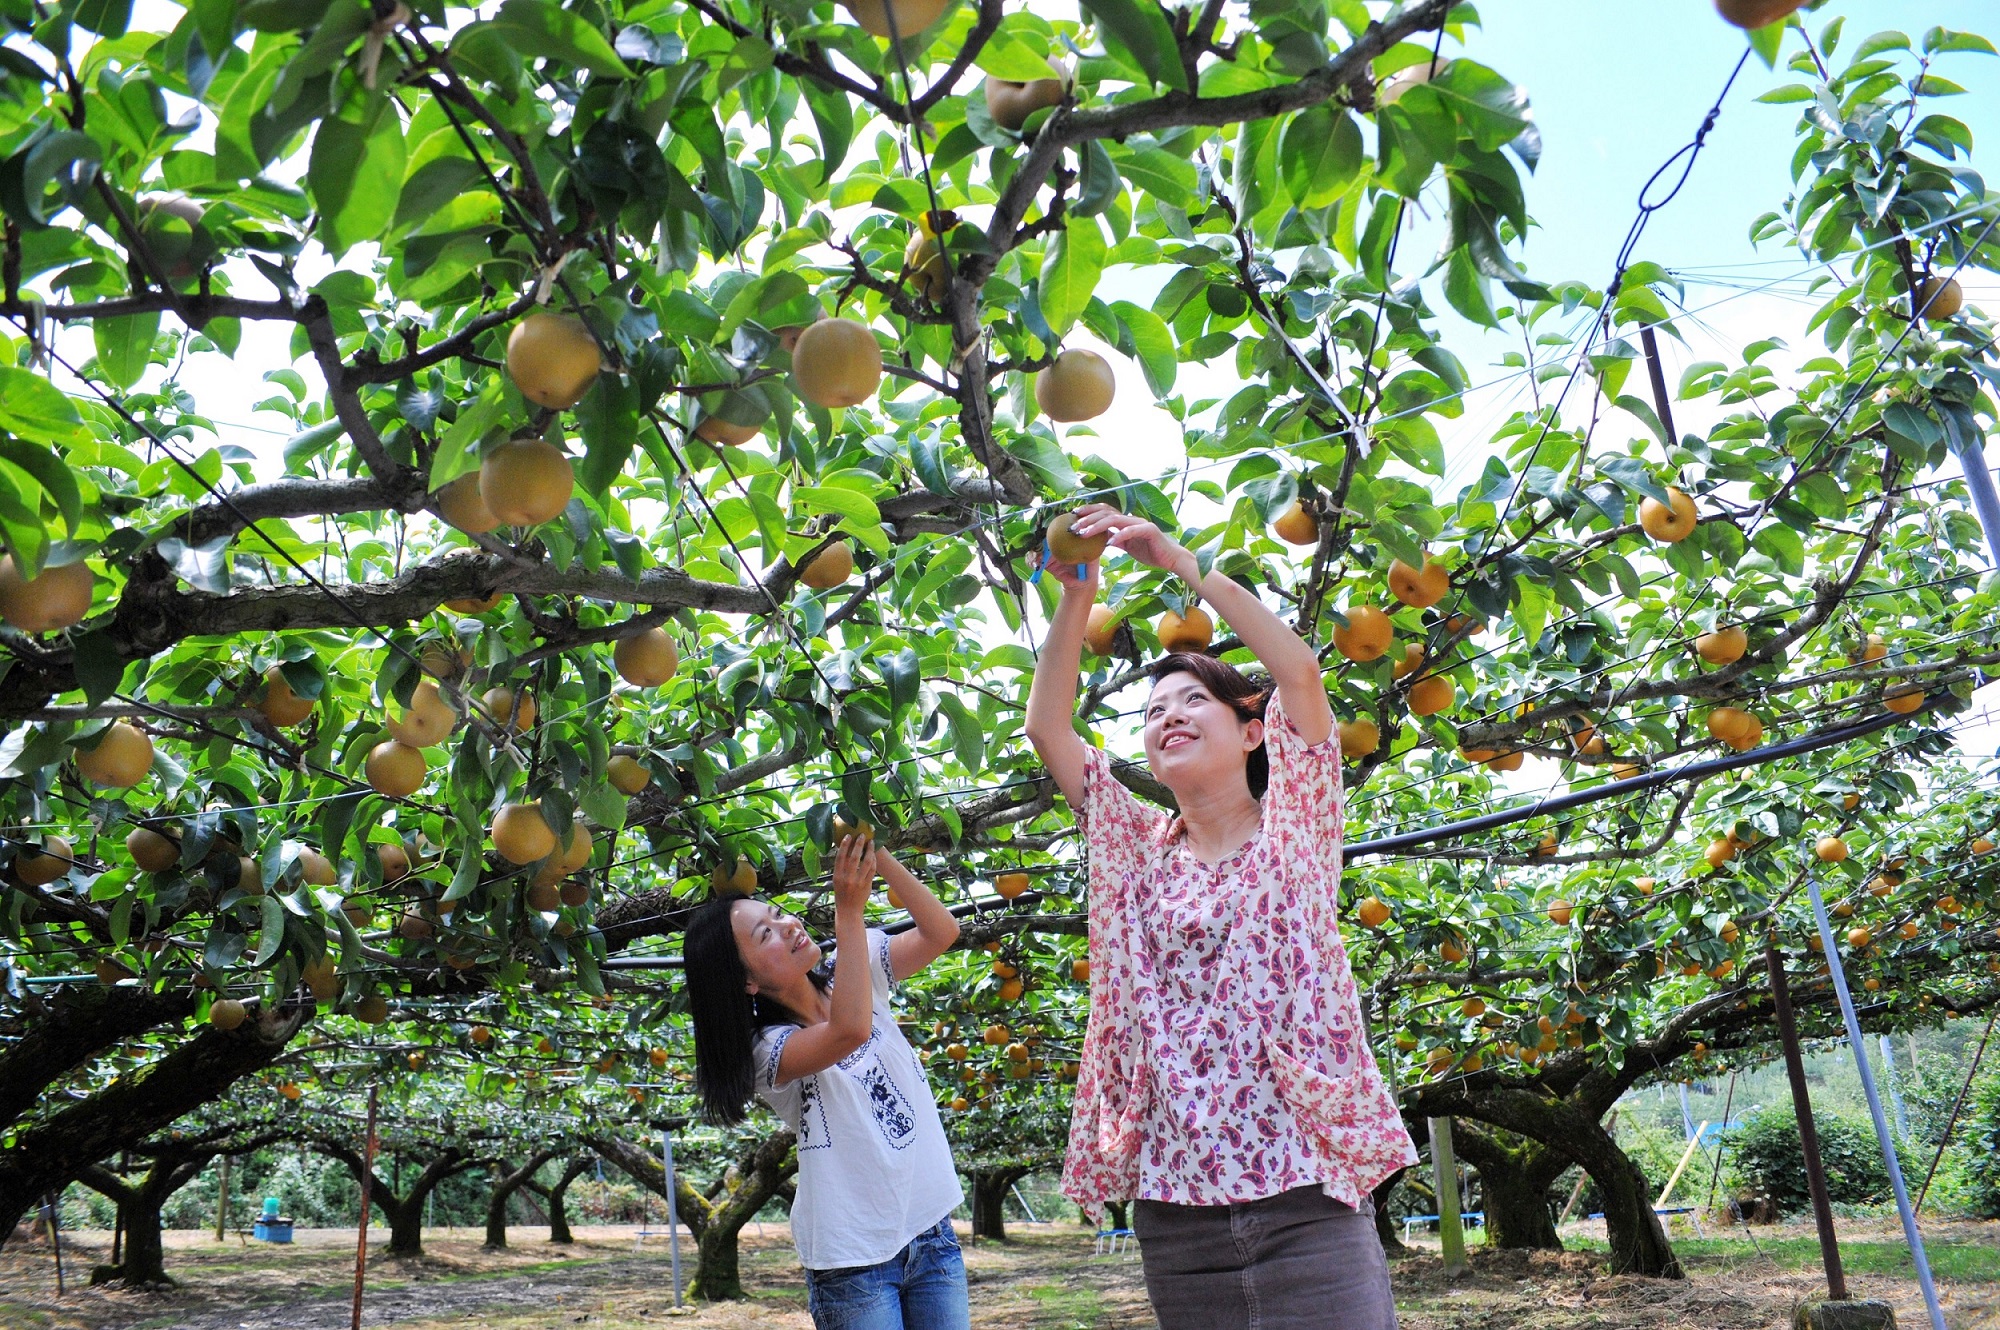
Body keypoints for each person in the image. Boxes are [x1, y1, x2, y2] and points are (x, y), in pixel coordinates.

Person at [1024, 503, 1418, 1330]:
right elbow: (1048, 727)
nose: (1166, 714)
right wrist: (1073, 594)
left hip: (1306, 1191)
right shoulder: (1134, 853)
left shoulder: (1295, 835)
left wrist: (1178, 562)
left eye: (1190, 699)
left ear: (1250, 732)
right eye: (1152, 710)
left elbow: (1302, 673)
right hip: (1176, 1207)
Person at [684, 833, 970, 1330]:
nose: (789, 925)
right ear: (745, 982)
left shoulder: (849, 969)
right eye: (765, 935)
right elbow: (849, 1030)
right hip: (853, 1261)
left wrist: (875, 853)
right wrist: (849, 913)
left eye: (777, 915)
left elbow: (941, 931)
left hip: (930, 1231)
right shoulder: (766, 1049)